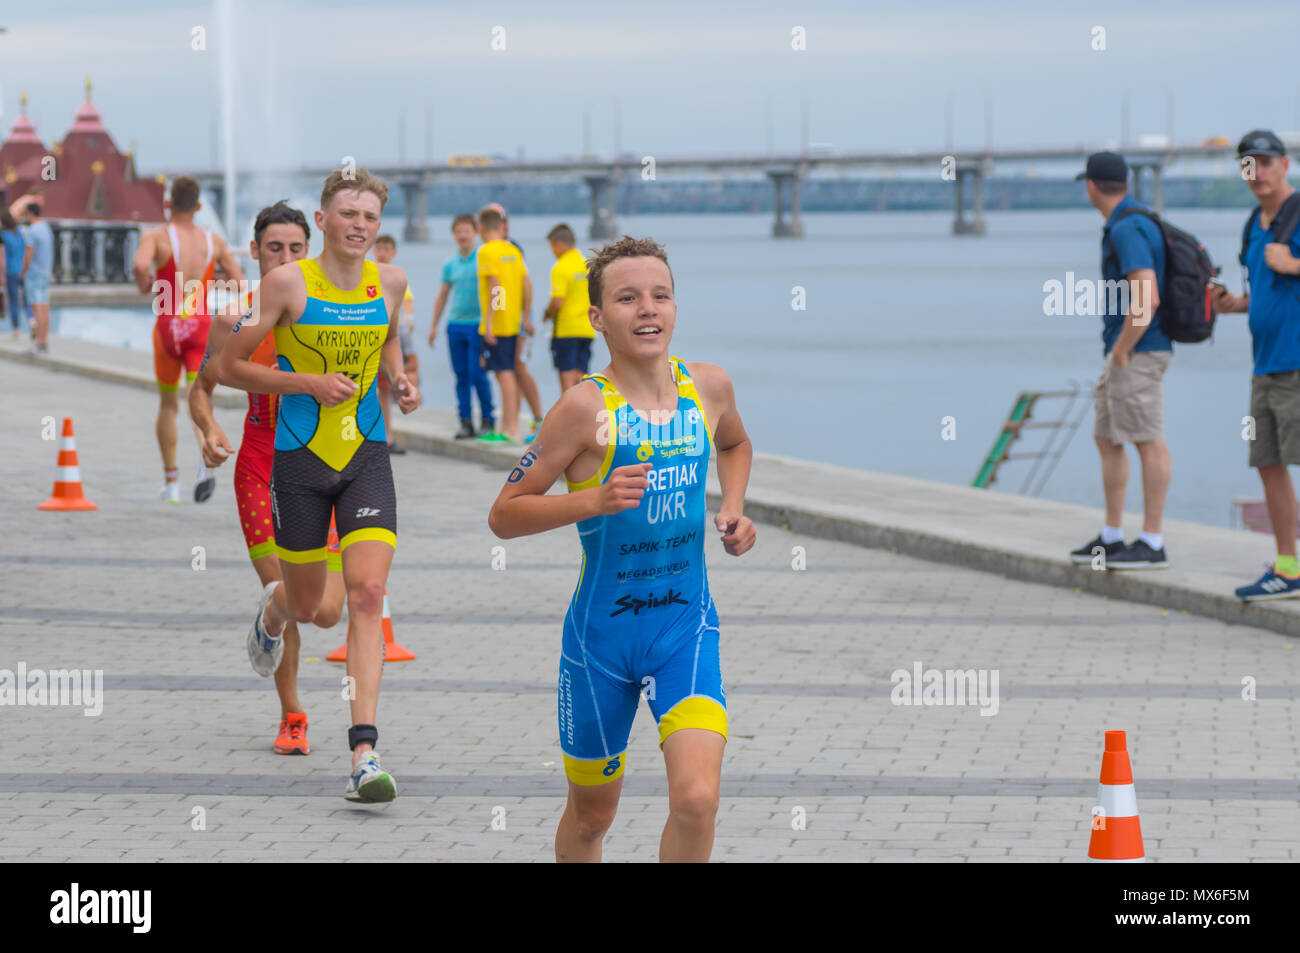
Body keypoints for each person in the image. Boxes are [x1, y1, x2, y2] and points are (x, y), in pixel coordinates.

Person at [488, 235, 757, 863]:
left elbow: (736, 445)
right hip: (598, 643)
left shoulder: (708, 388)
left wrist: (735, 508)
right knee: (591, 820)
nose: (647, 309)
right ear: (596, 317)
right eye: (628, 297)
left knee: (696, 799)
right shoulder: (581, 408)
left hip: (683, 629)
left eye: (660, 295)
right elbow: (504, 514)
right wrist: (592, 501)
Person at [218, 168, 419, 802]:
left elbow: (384, 336)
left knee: (366, 595)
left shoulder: (390, 281)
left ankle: (363, 751)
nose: (360, 225)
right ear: (324, 220)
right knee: (309, 608)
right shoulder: (285, 284)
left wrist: (399, 378)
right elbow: (229, 365)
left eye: (370, 216)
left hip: (366, 454)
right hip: (298, 464)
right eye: (347, 213)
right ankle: (272, 611)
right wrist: (305, 383)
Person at [188, 200, 345, 753]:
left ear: (311, 249)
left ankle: (270, 615)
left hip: (323, 470)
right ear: (253, 251)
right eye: (273, 247)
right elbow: (202, 388)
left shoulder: (331, 314)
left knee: (324, 610)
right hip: (259, 471)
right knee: (288, 591)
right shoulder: (235, 320)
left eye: (296, 248)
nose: (284, 256)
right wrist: (207, 430)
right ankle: (293, 715)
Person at [1068, 151, 1170, 570]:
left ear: (1092, 187)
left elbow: (1147, 295)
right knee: (1107, 436)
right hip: (1128, 349)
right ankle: (1111, 536)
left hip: (1139, 351)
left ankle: (1152, 541)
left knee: (1148, 440)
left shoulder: (1128, 229)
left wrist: (1124, 348)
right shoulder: (1132, 221)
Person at [1212, 131, 1300, 600]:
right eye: (1248, 164)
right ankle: (1288, 568)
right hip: (1264, 366)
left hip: (1297, 362)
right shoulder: (1254, 226)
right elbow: (1267, 293)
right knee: (1268, 463)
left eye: (1265, 162)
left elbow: (1287, 273)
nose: (1257, 172)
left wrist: (1293, 264)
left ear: (1285, 164)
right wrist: (1235, 304)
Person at [132, 176, 244, 503]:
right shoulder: (214, 241)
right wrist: (211, 286)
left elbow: (140, 265)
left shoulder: (156, 236)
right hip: (200, 327)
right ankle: (205, 467)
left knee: (168, 404)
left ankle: (170, 484)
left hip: (168, 325)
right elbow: (238, 282)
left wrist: (144, 284)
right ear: (198, 206)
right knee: (200, 398)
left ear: (168, 204)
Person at [430, 212, 495, 438]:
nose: (463, 235)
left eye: (467, 231)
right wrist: (433, 326)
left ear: (475, 233)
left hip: (478, 326)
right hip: (455, 325)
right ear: (454, 235)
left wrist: (492, 322)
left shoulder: (483, 258)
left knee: (478, 373)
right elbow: (442, 296)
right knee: (461, 376)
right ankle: (466, 422)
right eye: (458, 232)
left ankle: (488, 420)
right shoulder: (450, 264)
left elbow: (497, 290)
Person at [484, 202, 545, 440]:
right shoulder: (504, 249)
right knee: (514, 369)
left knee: (513, 369)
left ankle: (525, 423)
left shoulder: (506, 249)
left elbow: (520, 284)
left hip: (511, 320)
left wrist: (524, 317)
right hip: (515, 317)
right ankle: (518, 423)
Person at [475, 206, 529, 442]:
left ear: (480, 228)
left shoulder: (486, 251)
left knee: (504, 374)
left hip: (497, 323)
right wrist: (525, 316)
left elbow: (495, 286)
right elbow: (527, 285)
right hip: (512, 321)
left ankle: (509, 429)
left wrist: (488, 322)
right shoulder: (513, 251)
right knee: (508, 373)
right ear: (501, 226)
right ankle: (510, 425)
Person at [372, 234, 419, 454]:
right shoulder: (366, 274)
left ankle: (387, 436)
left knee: (386, 388)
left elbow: (406, 303)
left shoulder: (397, 279)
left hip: (389, 337)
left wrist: (409, 319)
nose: (382, 252)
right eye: (379, 248)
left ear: (394, 253)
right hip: (369, 337)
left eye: (387, 248)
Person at [543, 223, 596, 393]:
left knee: (566, 378)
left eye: (552, 247)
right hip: (587, 329)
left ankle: (569, 417)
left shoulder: (560, 267)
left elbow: (557, 301)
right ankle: (586, 414)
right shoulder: (588, 265)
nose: (553, 251)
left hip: (566, 330)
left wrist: (547, 314)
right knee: (582, 376)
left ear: (558, 244)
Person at [20, 202, 54, 355]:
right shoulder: (46, 228)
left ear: (30, 213)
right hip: (45, 272)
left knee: (37, 308)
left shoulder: (32, 231)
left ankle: (39, 343)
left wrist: (23, 272)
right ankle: (43, 341)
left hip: (34, 274)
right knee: (45, 308)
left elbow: (28, 255)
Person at [0, 210, 28, 339]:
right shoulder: (19, 233)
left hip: (11, 271)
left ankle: (16, 329)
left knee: (14, 301)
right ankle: (33, 322)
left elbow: (2, 259)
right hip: (23, 269)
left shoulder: (3, 235)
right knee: (28, 299)